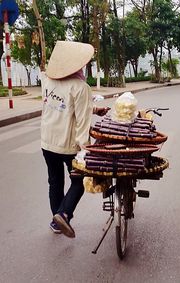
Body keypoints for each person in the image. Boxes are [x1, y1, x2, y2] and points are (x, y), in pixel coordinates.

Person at [41, 41, 109, 238]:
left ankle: (56, 222)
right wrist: (85, 149)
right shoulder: (80, 87)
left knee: (55, 181)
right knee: (79, 181)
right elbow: (81, 122)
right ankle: (63, 213)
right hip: (68, 145)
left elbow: (63, 106)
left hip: (47, 141)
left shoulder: (48, 81)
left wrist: (94, 109)